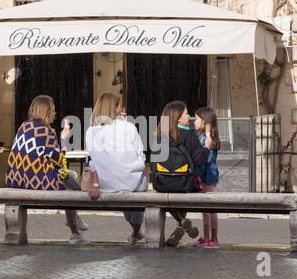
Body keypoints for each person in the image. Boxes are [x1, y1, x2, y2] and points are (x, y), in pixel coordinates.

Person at [5, 95, 88, 244]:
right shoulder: (46, 131)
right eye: (53, 110)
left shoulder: (23, 127)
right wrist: (63, 138)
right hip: (39, 180)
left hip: (16, 179)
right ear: (47, 111)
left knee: (67, 178)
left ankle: (75, 221)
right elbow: (59, 161)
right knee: (70, 176)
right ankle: (75, 228)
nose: (55, 113)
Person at [85, 93, 147, 245]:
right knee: (135, 184)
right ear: (115, 108)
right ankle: (137, 231)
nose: (121, 108)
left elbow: (92, 162)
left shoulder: (91, 131)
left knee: (121, 184)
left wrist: (95, 184)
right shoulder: (129, 127)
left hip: (107, 184)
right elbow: (141, 156)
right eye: (119, 105)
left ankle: (136, 232)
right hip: (131, 183)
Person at [156, 101, 212, 247]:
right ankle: (181, 223)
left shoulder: (160, 135)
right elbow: (199, 159)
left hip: (163, 182)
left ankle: (181, 222)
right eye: (186, 113)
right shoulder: (189, 135)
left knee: (166, 195)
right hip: (185, 183)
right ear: (178, 118)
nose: (189, 116)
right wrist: (206, 147)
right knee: (186, 187)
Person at [192, 107, 220, 249]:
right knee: (206, 209)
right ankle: (208, 237)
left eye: (196, 118)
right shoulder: (205, 136)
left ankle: (213, 238)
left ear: (204, 122)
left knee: (209, 209)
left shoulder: (205, 137)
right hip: (208, 176)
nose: (194, 121)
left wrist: (197, 174)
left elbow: (205, 159)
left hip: (206, 177)